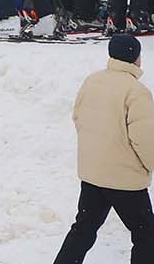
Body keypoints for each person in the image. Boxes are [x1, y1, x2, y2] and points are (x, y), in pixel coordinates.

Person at [53, 34, 154, 263]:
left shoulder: (92, 81)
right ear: (135, 58)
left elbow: (78, 117)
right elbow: (145, 139)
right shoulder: (136, 91)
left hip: (93, 174)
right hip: (124, 178)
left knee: (84, 228)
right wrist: (148, 166)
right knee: (146, 233)